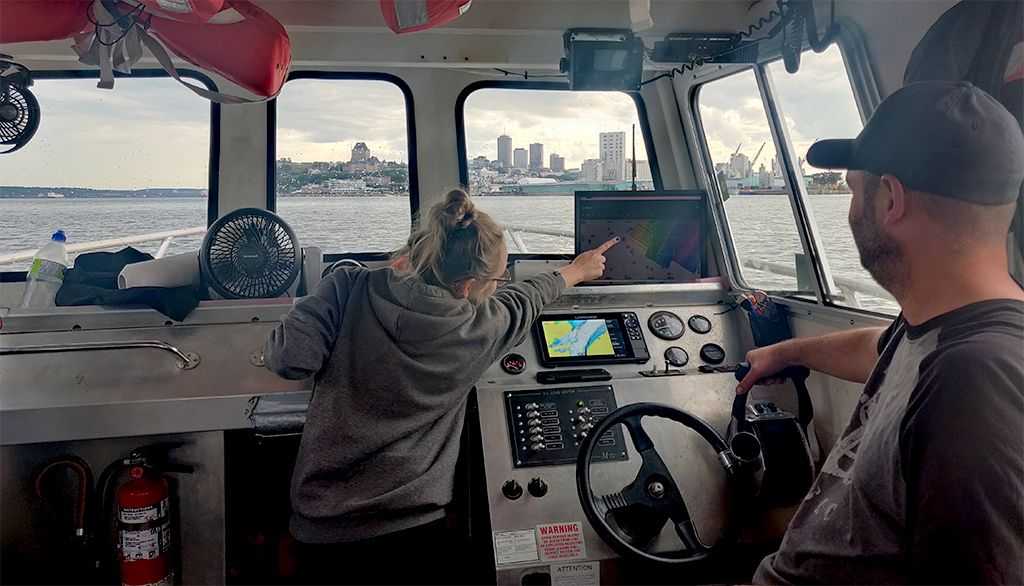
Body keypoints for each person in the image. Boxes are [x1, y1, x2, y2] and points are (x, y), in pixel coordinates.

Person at [736, 81, 1024, 584]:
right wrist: (785, 352)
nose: (851, 211)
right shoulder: (940, 329)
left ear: (891, 199)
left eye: (853, 190)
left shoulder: (976, 381)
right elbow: (879, 349)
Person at [264, 188, 618, 584]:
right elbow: (527, 298)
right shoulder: (480, 329)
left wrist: (321, 303)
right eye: (496, 280)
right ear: (467, 287)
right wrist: (576, 271)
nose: (499, 287)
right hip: (416, 533)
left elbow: (289, 359)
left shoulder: (346, 285)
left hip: (322, 528)